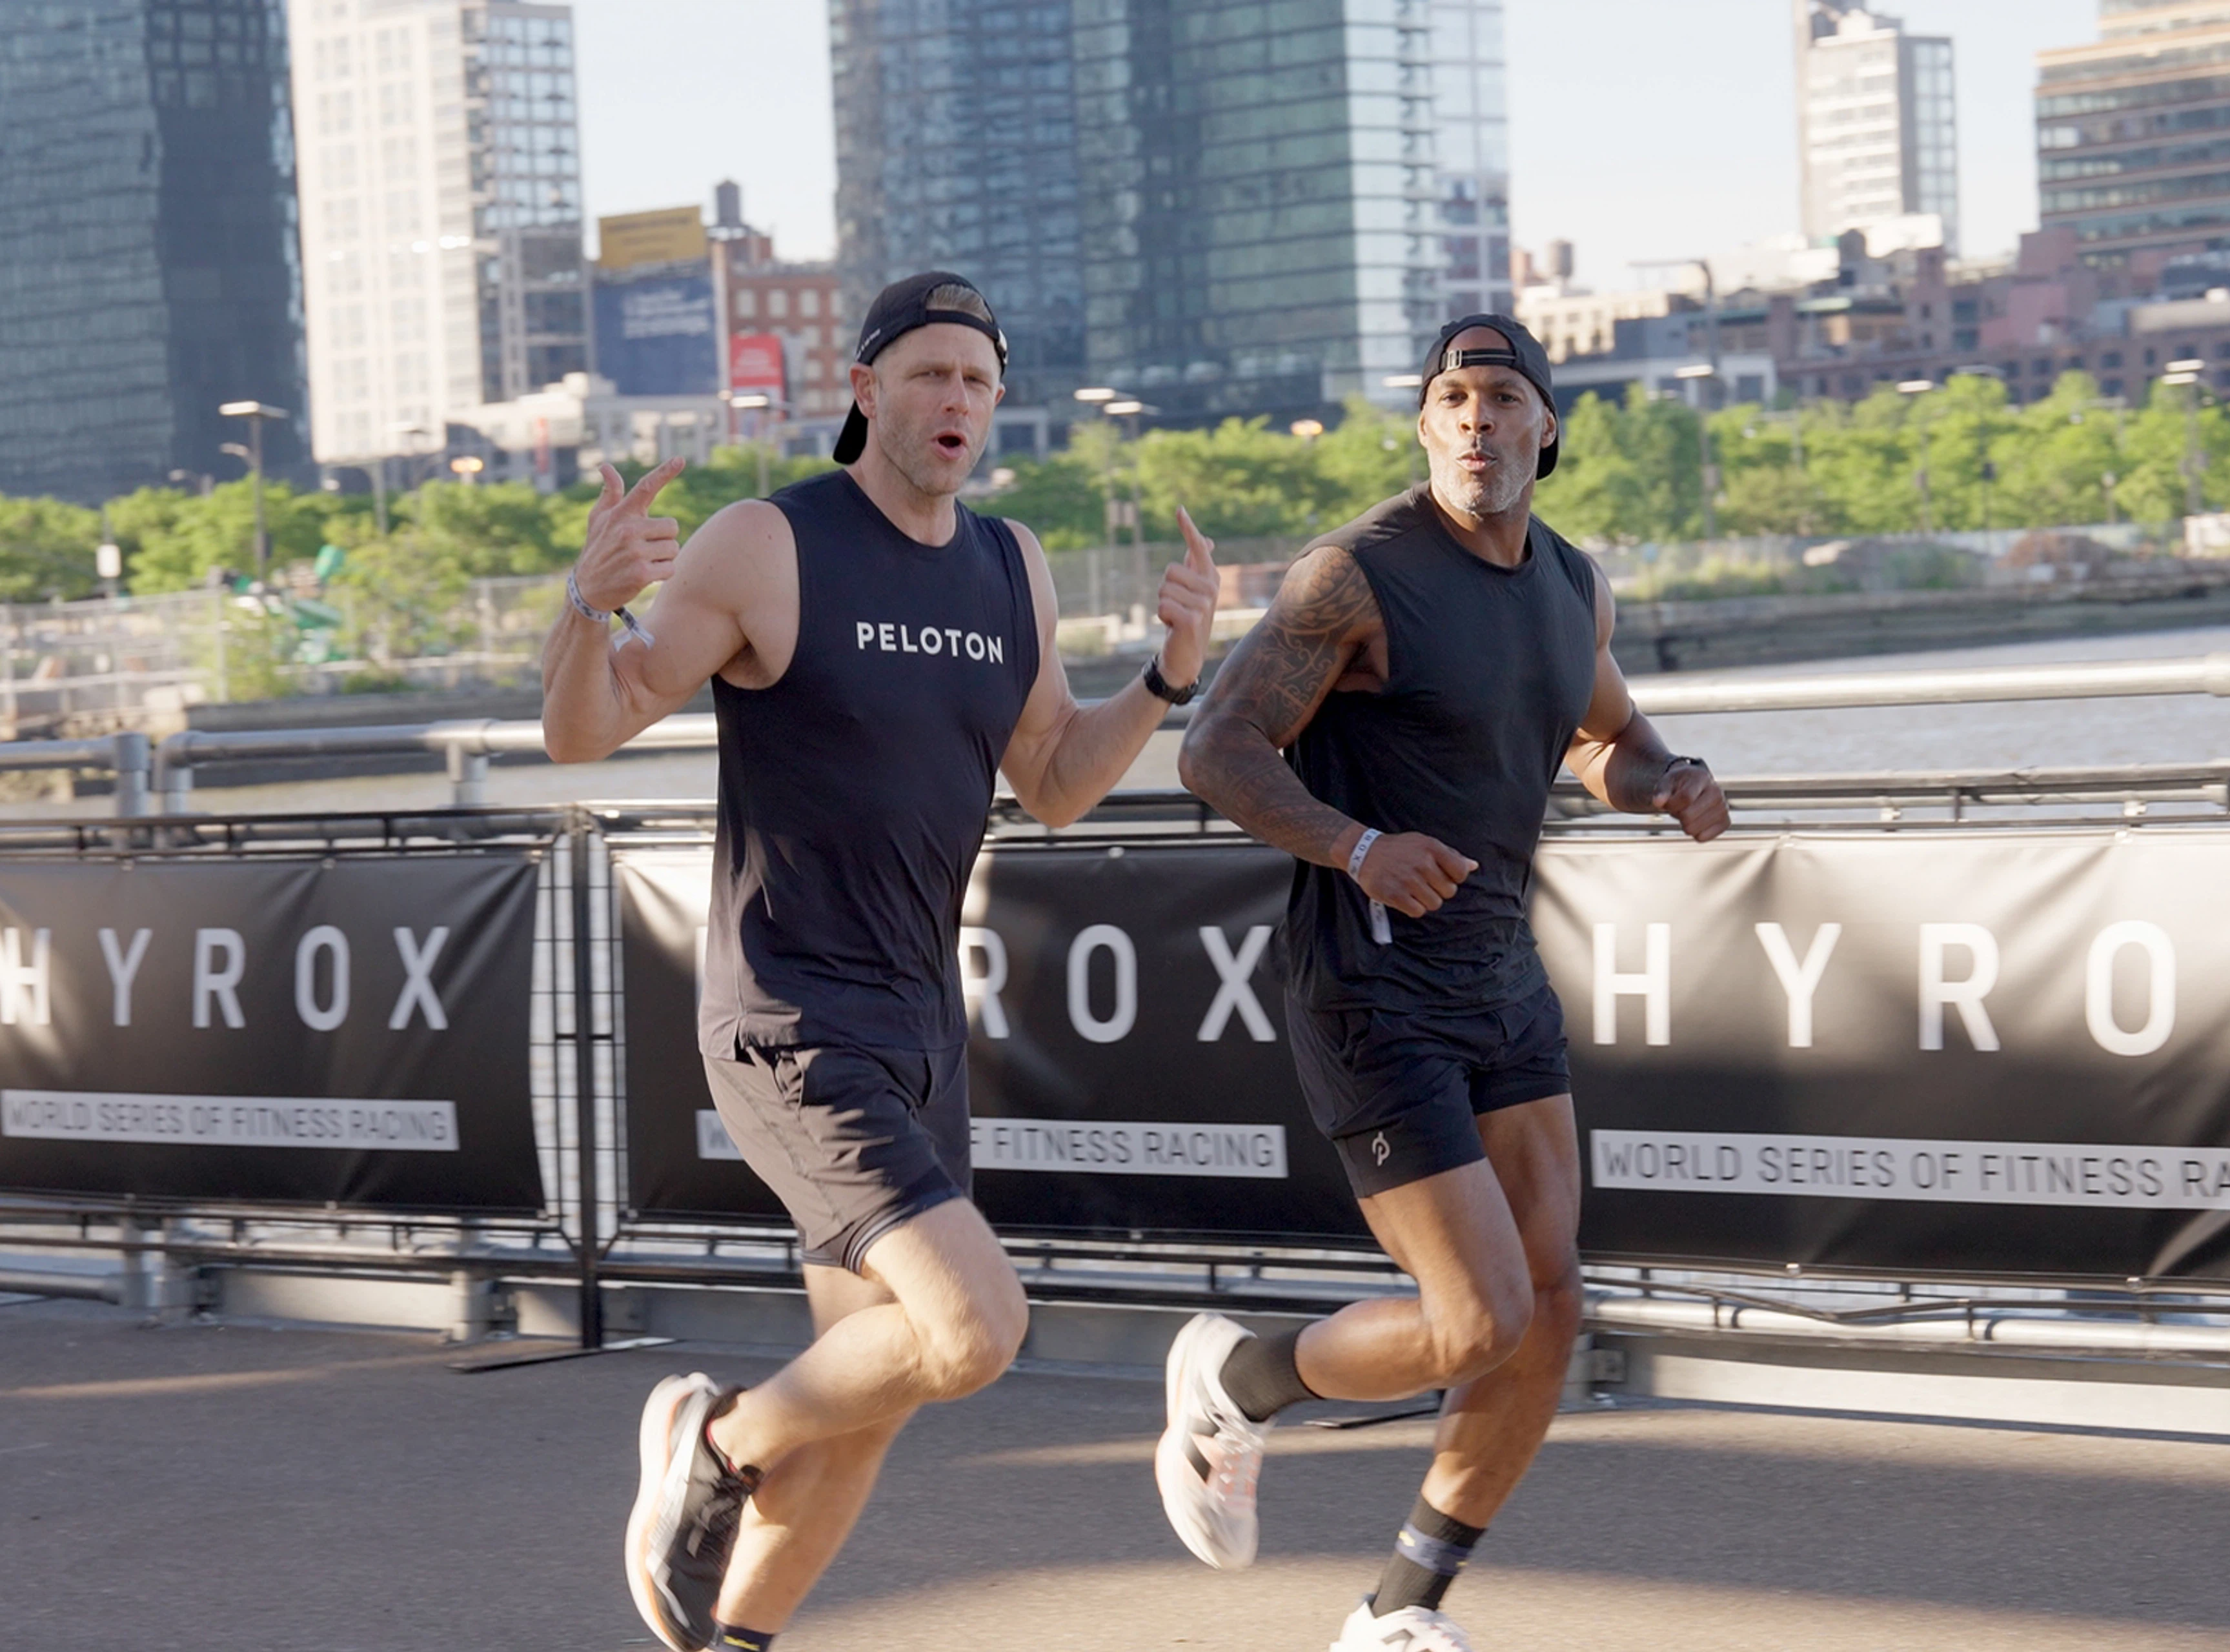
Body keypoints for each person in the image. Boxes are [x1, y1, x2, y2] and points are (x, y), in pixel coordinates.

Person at [542, 270, 1221, 1652]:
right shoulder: (767, 544)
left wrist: (1166, 676)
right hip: (793, 1015)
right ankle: (716, 1438)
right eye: (926, 374)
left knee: (877, 1398)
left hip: (921, 1032)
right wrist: (584, 608)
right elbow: (587, 726)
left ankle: (735, 1635)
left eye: (977, 379)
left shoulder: (1008, 564)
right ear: (864, 391)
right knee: (975, 1326)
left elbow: (1055, 778)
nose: (955, 400)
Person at [1164, 314, 1728, 1651]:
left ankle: (1396, 1614)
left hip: (1499, 972)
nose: (1477, 419)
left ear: (1547, 427)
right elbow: (1216, 747)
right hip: (1370, 981)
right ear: (1426, 425)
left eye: (1503, 397)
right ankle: (1239, 1376)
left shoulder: (1571, 585)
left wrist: (1669, 782)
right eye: (1452, 397)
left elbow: (1603, 735)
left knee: (1551, 1309)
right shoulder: (1352, 577)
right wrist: (1358, 845)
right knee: (1477, 1312)